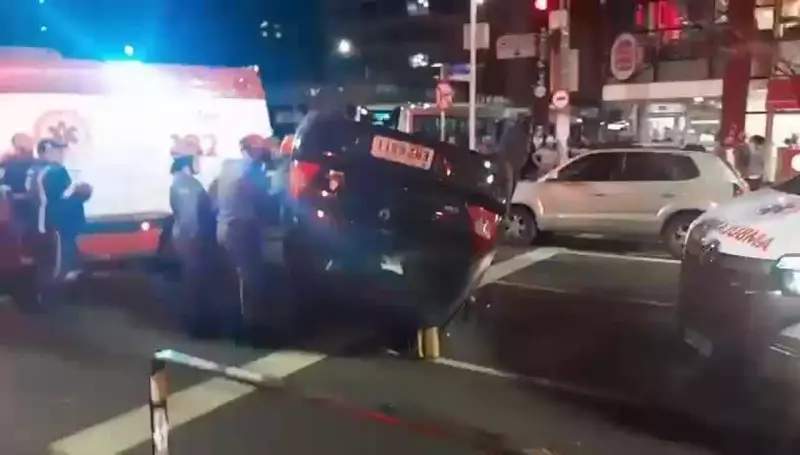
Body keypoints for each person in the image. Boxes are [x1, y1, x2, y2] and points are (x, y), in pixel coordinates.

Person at [215, 134, 279, 342]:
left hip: (223, 227)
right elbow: (264, 202)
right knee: (250, 280)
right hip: (241, 230)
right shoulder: (250, 172)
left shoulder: (226, 169)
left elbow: (213, 199)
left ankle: (234, 326)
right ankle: (251, 332)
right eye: (259, 150)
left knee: (234, 280)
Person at [26, 139, 91, 310]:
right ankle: (50, 304)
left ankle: (45, 300)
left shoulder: (35, 169)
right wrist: (83, 194)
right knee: (59, 266)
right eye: (57, 151)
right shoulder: (55, 172)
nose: (61, 154)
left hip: (42, 225)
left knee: (47, 263)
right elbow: (61, 201)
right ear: (45, 152)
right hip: (56, 225)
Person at [168, 138, 219, 336]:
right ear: (187, 161)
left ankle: (197, 324)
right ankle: (198, 328)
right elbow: (191, 218)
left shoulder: (183, 182)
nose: (199, 162)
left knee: (193, 283)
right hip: (192, 241)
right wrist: (200, 241)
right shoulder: (186, 185)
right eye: (196, 157)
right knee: (196, 284)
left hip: (186, 239)